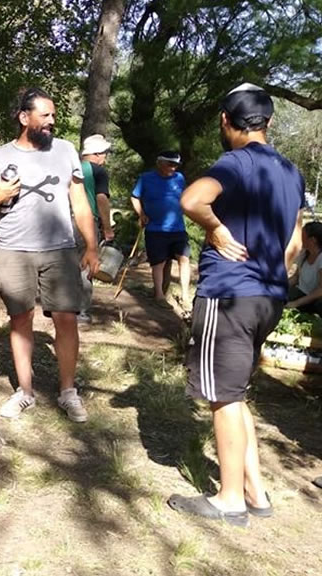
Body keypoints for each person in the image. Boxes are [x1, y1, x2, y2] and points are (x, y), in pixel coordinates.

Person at [167, 83, 305, 527]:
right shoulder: (290, 171)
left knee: (222, 398)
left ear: (226, 121)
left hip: (229, 297)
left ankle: (228, 500)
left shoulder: (235, 162)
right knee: (237, 394)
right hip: (268, 297)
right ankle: (255, 491)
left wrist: (216, 229)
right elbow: (296, 243)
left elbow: (192, 198)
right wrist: (273, 274)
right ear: (269, 122)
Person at [0, 87, 99, 423]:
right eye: (45, 116)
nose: (52, 122)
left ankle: (68, 392)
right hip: (14, 250)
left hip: (59, 250)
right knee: (21, 319)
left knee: (66, 319)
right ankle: (25, 392)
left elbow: (80, 202)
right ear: (24, 117)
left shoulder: (66, 151)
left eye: (53, 116)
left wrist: (92, 245)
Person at [130, 151, 190, 307]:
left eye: (176, 165)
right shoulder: (146, 178)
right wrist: (141, 213)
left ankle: (185, 297)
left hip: (178, 228)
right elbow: (135, 196)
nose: (173, 168)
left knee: (184, 259)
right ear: (160, 163)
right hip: (155, 229)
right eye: (170, 164)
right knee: (159, 263)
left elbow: (185, 196)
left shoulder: (179, 178)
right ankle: (159, 295)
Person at [77, 134, 115, 323]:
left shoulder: (72, 167)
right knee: (87, 265)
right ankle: (81, 312)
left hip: (64, 221)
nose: (106, 157)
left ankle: (61, 307)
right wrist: (107, 228)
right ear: (97, 154)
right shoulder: (98, 171)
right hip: (87, 222)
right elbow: (101, 199)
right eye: (105, 153)